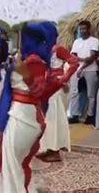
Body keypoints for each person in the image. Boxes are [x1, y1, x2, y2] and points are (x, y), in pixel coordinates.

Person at [0, 21, 63, 193]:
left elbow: (39, 92)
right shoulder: (28, 59)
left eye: (24, 37)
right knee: (12, 163)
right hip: (19, 113)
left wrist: (24, 74)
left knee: (12, 164)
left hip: (23, 116)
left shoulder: (35, 62)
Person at [37, 26, 79, 162]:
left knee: (53, 118)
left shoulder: (58, 49)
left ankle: (55, 151)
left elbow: (74, 62)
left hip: (55, 86)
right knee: (46, 118)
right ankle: (47, 147)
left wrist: (64, 78)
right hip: (45, 86)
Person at [68, 21, 99, 124]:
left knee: (91, 94)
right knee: (74, 92)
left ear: (89, 29)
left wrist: (82, 64)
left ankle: (90, 115)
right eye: (81, 29)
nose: (82, 31)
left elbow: (92, 57)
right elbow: (72, 56)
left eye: (84, 29)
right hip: (77, 69)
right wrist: (82, 60)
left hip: (90, 69)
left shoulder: (94, 41)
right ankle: (74, 115)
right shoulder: (77, 42)